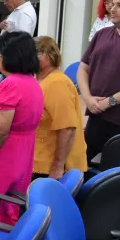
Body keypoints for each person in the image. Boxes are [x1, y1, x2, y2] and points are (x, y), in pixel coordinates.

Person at [0, 31, 43, 226]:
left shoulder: (10, 84)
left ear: (12, 56)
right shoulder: (32, 81)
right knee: (7, 207)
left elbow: (1, 131)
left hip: (2, 157)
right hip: (21, 154)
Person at [78, 0, 120, 163]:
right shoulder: (102, 34)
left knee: (114, 174)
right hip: (96, 116)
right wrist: (87, 98)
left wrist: (109, 102)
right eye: (113, 4)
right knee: (79, 163)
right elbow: (83, 68)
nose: (113, 9)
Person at [33, 37, 88, 179]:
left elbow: (67, 129)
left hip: (52, 168)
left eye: (35, 53)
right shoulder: (40, 81)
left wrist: (58, 166)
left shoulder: (57, 83)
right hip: (40, 161)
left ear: (49, 56)